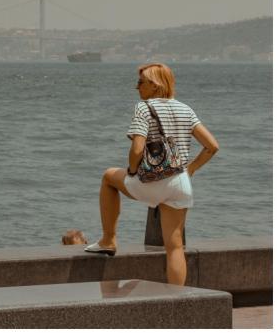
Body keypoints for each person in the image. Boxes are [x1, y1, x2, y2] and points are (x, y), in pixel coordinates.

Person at [84, 63, 219, 285]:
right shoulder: (186, 109)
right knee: (175, 247)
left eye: (141, 82)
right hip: (180, 183)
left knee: (109, 177)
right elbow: (212, 146)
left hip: (151, 181)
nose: (136, 87)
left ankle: (108, 240)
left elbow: (137, 149)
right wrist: (191, 169)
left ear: (155, 85)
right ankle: (177, 299)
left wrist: (132, 171)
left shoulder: (143, 108)